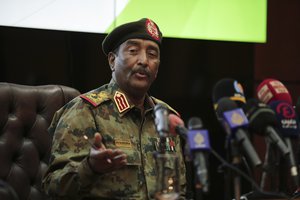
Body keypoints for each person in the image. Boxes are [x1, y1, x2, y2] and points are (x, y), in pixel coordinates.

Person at [42, 18, 187, 200]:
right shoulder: (84, 111)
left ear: (157, 68)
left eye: (152, 54)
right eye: (133, 51)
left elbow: (179, 190)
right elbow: (52, 188)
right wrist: (90, 167)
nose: (143, 60)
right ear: (112, 60)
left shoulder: (167, 118)